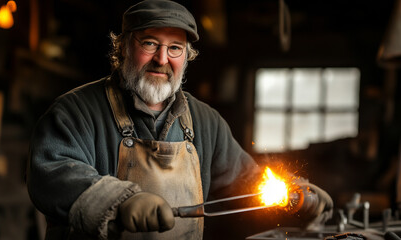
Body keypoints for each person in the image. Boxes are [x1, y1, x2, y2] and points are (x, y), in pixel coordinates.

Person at [26, 0, 333, 239]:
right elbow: (51, 173)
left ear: (187, 57)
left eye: (175, 48)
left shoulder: (205, 121)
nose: (162, 59)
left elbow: (249, 186)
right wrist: (118, 200)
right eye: (149, 43)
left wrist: (293, 197)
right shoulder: (74, 111)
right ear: (122, 48)